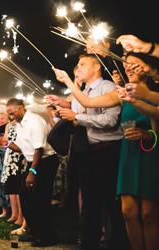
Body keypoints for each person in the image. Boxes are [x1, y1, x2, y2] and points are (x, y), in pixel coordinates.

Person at [52, 51, 159, 250]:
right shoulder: (121, 93)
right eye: (126, 65)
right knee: (127, 211)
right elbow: (86, 102)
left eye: (133, 64)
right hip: (129, 152)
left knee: (148, 214)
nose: (128, 68)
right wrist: (68, 81)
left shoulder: (149, 93)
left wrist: (149, 134)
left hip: (147, 153)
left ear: (147, 68)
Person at [48, 53, 130, 250]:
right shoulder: (81, 92)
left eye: (82, 64)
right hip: (86, 154)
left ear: (96, 68)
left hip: (108, 153)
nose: (78, 68)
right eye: (77, 65)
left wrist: (76, 117)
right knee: (88, 207)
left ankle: (118, 244)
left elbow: (110, 122)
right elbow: (77, 113)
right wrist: (63, 107)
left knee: (114, 204)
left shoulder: (108, 87)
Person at [0, 98, 58, 247]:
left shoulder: (35, 121)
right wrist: (7, 144)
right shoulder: (20, 124)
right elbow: (21, 147)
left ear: (20, 107)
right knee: (24, 197)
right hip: (34, 161)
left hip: (45, 162)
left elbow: (39, 149)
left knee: (40, 199)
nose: (11, 117)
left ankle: (47, 236)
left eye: (12, 113)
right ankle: (36, 231)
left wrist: (32, 172)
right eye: (9, 114)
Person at [0, 113, 28, 235]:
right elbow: (6, 140)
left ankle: (21, 216)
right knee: (11, 186)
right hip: (10, 155)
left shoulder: (22, 124)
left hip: (19, 156)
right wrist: (2, 141)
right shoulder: (8, 125)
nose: (12, 116)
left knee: (18, 188)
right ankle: (14, 214)